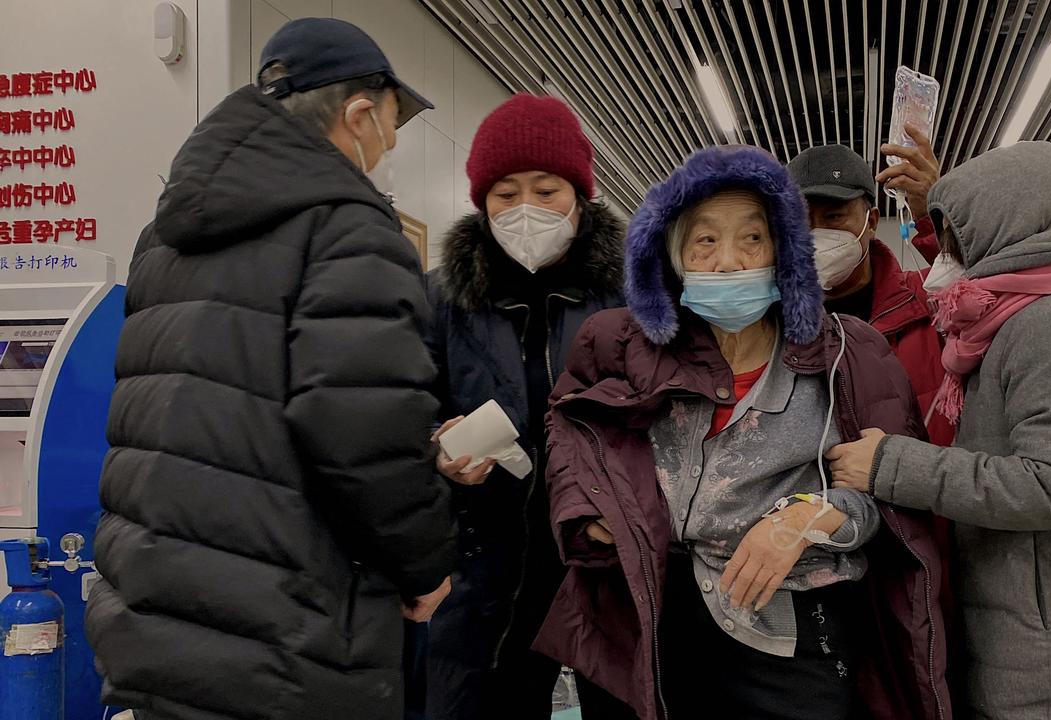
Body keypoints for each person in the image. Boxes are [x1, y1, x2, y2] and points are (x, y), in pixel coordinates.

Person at [85, 18, 454, 720]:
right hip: (288, 643)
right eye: (393, 124)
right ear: (359, 113)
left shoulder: (162, 239)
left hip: (154, 619)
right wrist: (424, 562)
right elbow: (361, 433)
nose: (391, 147)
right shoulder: (349, 230)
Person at [533, 145, 952, 720]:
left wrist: (814, 515)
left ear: (783, 250)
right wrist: (591, 511)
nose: (728, 261)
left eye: (752, 238)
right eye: (704, 240)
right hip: (653, 621)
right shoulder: (621, 344)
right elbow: (569, 423)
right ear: (673, 255)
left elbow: (894, 496)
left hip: (793, 634)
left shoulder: (851, 354)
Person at [827, 142, 1051, 719]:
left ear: (1006, 232)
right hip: (1040, 648)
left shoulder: (1050, 326)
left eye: (957, 241)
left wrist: (891, 465)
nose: (945, 260)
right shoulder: (1010, 326)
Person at [419, 93, 630, 719]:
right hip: (485, 557)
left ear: (580, 193)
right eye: (505, 194)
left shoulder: (628, 296)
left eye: (546, 189)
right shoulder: (444, 300)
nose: (526, 209)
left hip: (603, 549)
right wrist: (439, 445)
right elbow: (408, 405)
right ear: (482, 202)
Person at [787, 125, 953, 446]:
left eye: (834, 216)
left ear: (872, 222)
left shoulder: (927, 300)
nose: (815, 233)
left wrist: (938, 219)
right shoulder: (773, 326)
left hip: (921, 488)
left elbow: (990, 298)